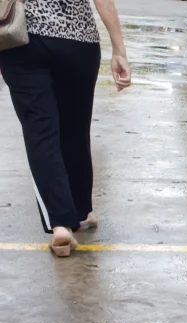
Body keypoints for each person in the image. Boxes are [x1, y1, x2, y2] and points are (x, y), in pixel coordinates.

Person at [0, 0, 131, 257]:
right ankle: (81, 212)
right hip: (77, 40)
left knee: (40, 132)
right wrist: (119, 50)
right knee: (75, 129)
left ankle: (61, 222)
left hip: (22, 38)